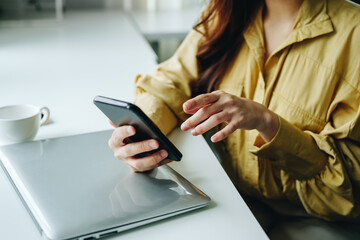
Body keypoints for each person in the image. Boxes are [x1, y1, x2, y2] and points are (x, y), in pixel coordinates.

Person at [108, 0, 360, 238]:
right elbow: (171, 83)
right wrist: (139, 131)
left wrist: (267, 123)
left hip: (321, 218)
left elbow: (351, 184)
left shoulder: (354, 33)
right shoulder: (225, 13)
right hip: (239, 199)